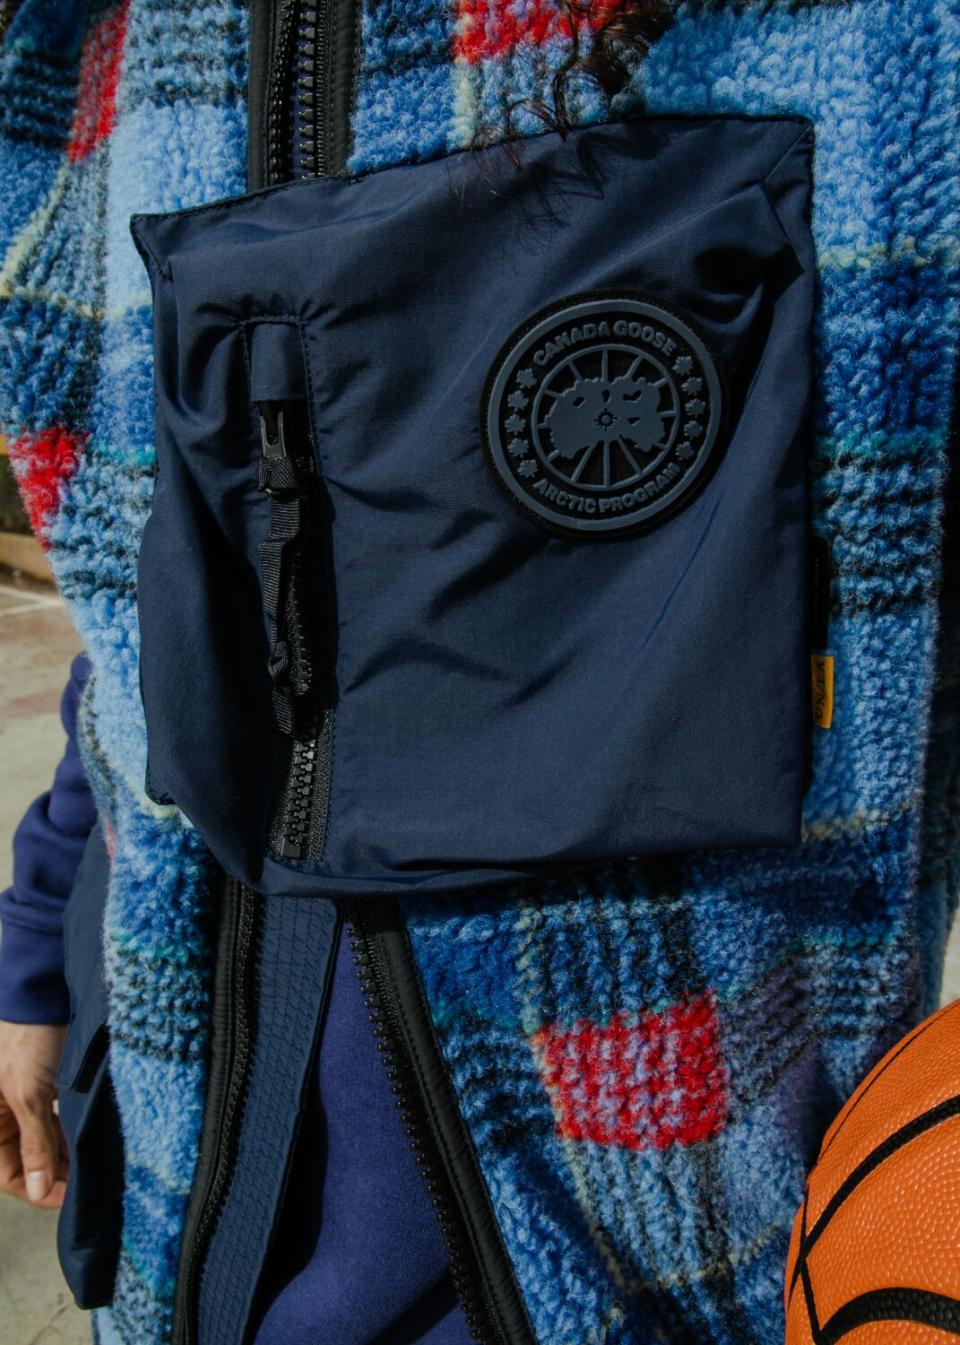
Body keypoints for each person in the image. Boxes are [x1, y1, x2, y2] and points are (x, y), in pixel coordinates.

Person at [1, 3, 958, 1345]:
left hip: (679, 1261)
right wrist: (40, 945)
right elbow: (145, 583)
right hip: (181, 1203)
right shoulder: (82, 41)